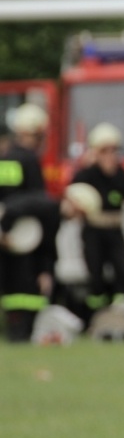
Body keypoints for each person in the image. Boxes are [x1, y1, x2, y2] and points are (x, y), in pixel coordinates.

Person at [70, 122, 124, 317]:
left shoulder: (120, 174)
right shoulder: (87, 174)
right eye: (104, 151)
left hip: (115, 229)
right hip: (93, 230)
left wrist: (113, 172)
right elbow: (74, 191)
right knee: (95, 274)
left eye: (113, 151)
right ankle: (96, 315)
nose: (110, 156)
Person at [0, 103, 51, 342]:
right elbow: (37, 199)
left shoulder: (6, 158)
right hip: (27, 234)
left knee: (11, 286)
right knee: (26, 285)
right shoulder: (29, 160)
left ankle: (15, 331)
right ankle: (25, 332)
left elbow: (5, 196)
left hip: (7, 232)